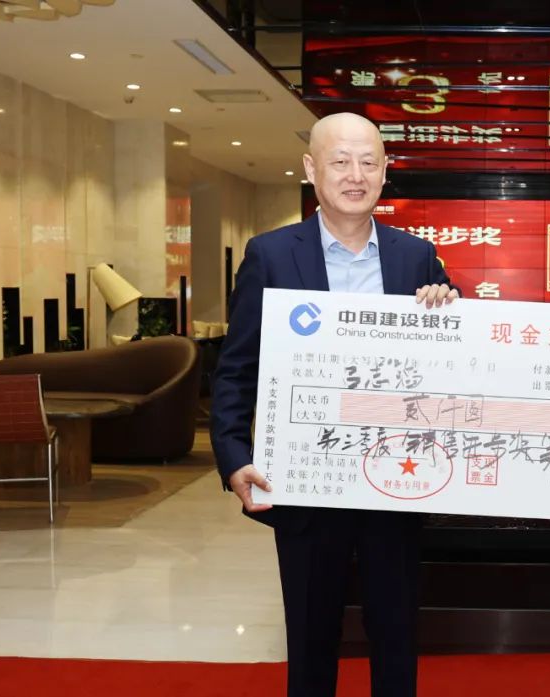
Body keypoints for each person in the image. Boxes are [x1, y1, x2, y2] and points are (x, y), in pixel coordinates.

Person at [210, 112, 458, 697]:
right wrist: (234, 457)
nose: (355, 175)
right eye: (340, 161)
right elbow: (236, 369)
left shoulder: (416, 257)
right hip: (305, 483)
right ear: (311, 169)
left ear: (385, 171)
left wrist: (450, 306)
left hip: (395, 480)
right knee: (310, 637)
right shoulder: (270, 255)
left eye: (369, 162)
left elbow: (455, 363)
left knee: (395, 634)